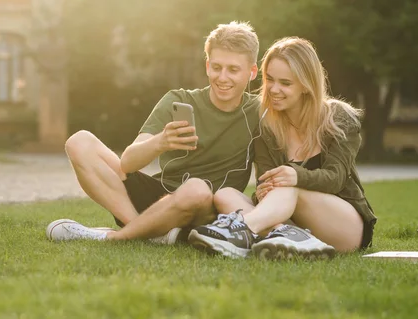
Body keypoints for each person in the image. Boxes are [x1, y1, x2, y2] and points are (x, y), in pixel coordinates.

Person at [46, 21, 262, 244]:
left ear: (252, 72)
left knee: (197, 189)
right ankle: (145, 231)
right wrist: (160, 142)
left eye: (233, 70)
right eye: (216, 67)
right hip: (160, 196)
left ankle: (117, 237)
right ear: (207, 66)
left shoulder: (261, 111)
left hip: (208, 208)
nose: (222, 77)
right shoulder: (178, 100)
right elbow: (128, 163)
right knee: (79, 142)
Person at [188, 37, 377, 259]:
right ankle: (290, 238)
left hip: (344, 227)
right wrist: (263, 191)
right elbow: (265, 187)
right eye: (270, 80)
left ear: (306, 85)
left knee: (288, 186)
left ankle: (241, 231)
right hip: (291, 222)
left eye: (285, 83)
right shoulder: (267, 126)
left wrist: (294, 176)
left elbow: (335, 178)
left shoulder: (338, 118)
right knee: (225, 195)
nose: (274, 89)